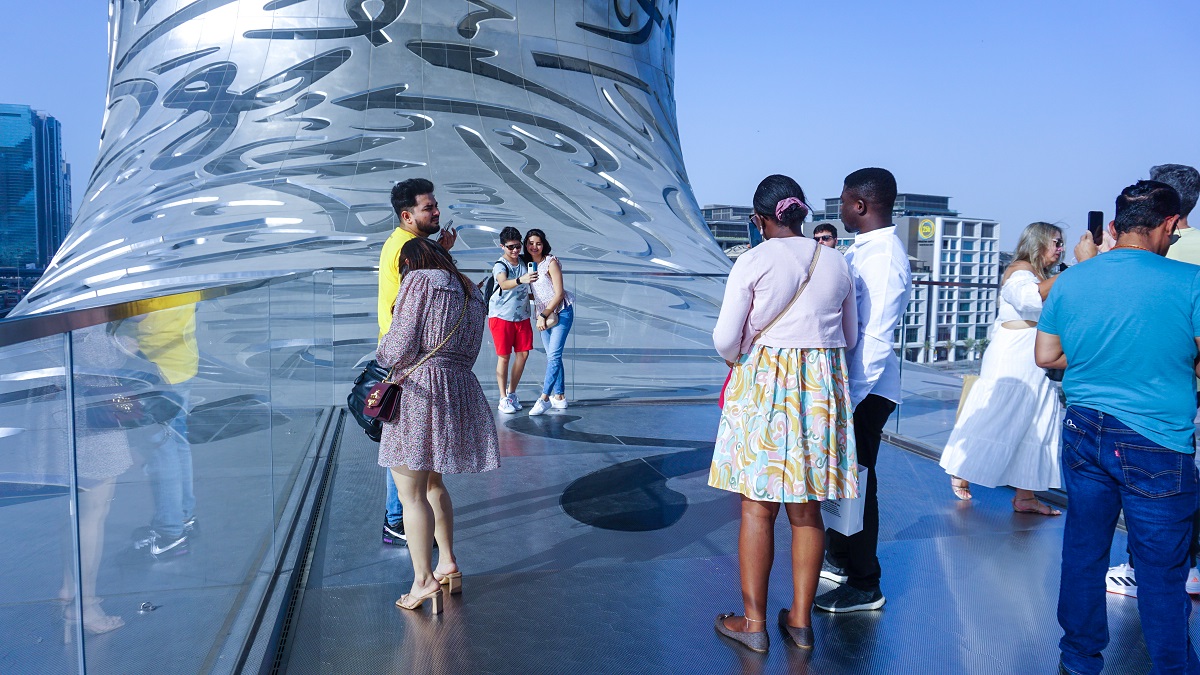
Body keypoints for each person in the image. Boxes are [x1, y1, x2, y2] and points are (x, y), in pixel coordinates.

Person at [1037, 180, 1200, 674]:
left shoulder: (1072, 279)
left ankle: (1079, 661)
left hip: (1084, 427)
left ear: (1113, 227)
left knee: (1085, 551)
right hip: (1157, 440)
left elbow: (1047, 355)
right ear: (1170, 224)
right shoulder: (1190, 283)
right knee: (1161, 570)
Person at [709, 174, 859, 653]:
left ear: (759, 219)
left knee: (757, 504)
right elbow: (850, 337)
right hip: (820, 387)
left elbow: (724, 338)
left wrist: (742, 357)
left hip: (766, 383)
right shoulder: (836, 261)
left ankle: (753, 623)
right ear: (800, 214)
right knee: (807, 504)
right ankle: (799, 620)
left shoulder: (752, 260)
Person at [377, 237, 499, 613]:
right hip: (457, 385)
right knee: (433, 482)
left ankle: (423, 580)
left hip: (419, 391)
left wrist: (382, 352)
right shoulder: (472, 291)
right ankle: (447, 563)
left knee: (409, 492)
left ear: (412, 262)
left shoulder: (420, 280)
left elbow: (397, 346)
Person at [815, 168, 912, 614]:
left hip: (867, 390)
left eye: (842, 199)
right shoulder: (863, 251)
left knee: (857, 483)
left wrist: (848, 398)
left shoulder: (884, 257)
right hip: (855, 386)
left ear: (860, 206)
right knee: (844, 477)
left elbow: (876, 338)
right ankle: (840, 557)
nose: (837, 207)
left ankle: (865, 582)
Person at [1107, 163, 1200, 599]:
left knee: (1137, 492)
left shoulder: (1134, 257)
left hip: (1135, 394)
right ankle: (1190, 566)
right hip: (1182, 393)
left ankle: (1135, 566)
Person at [939, 222, 1065, 514]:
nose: (1060, 249)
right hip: (1013, 355)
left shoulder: (1043, 275)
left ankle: (1026, 495)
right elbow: (1027, 298)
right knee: (1000, 413)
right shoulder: (1019, 270)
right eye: (1056, 242)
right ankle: (963, 468)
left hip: (1034, 355)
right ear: (1038, 242)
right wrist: (1070, 275)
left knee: (1037, 422)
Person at [377, 178, 456, 547]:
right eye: (429, 207)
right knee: (406, 451)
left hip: (408, 358)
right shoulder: (407, 250)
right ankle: (398, 521)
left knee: (406, 446)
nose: (437, 211)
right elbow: (410, 311)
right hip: (411, 362)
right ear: (407, 215)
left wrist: (438, 250)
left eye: (436, 204)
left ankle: (404, 518)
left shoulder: (406, 245)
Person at [128, 304, 199, 557]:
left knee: (161, 450)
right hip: (181, 359)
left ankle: (170, 533)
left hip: (156, 367)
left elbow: (139, 312)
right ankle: (183, 517)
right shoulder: (182, 267)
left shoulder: (146, 269)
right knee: (178, 442)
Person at [523, 229, 574, 416]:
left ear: (544, 244)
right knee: (553, 356)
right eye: (530, 243)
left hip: (560, 312)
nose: (534, 247)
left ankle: (544, 399)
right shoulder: (528, 265)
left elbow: (559, 293)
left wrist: (544, 314)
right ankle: (559, 397)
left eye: (538, 243)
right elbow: (536, 292)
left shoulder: (551, 262)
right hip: (543, 315)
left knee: (553, 356)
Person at [488, 227, 537, 414]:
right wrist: (521, 280)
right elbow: (503, 283)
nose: (515, 250)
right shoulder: (500, 265)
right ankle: (502, 397)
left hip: (521, 316)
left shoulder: (524, 261)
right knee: (504, 357)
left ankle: (512, 393)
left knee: (523, 354)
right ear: (502, 247)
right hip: (501, 317)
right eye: (510, 247)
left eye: (518, 246)